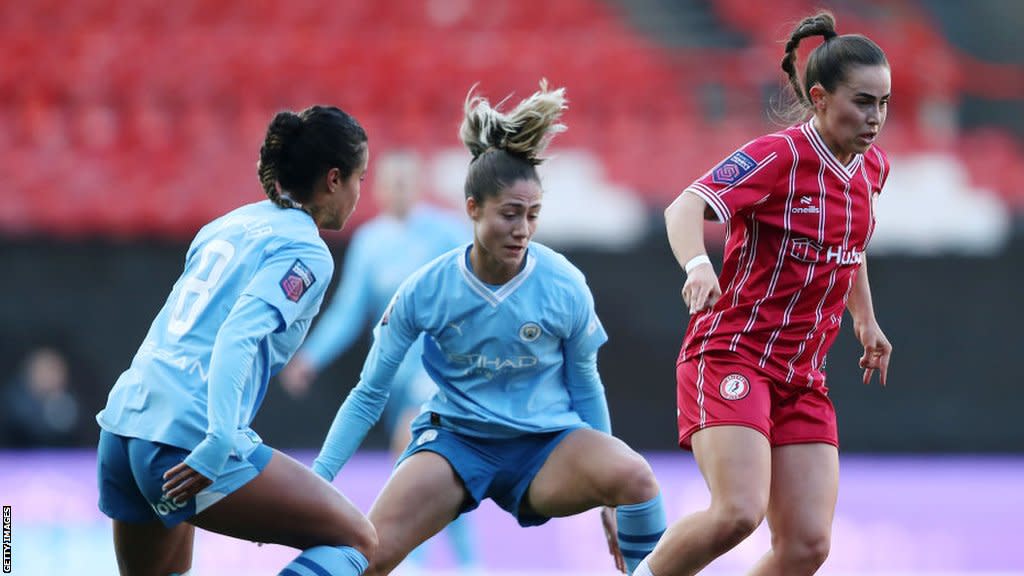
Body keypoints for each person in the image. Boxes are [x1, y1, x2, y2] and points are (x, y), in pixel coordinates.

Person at [311, 81, 667, 575]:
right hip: (457, 443)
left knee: (636, 479)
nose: (522, 228)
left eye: (532, 215)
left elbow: (585, 381)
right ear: (473, 209)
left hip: (544, 446)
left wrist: (608, 496)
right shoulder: (425, 288)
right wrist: (321, 479)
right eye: (509, 214)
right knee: (366, 556)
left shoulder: (564, 284)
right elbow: (369, 394)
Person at [636, 12, 893, 576]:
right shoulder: (779, 156)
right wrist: (698, 264)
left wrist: (865, 319)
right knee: (737, 513)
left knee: (806, 547)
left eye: (883, 104)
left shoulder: (871, 167)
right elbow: (686, 205)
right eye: (863, 101)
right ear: (820, 97)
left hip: (802, 377)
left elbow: (851, 244)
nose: (875, 118)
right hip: (733, 353)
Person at [95, 105, 377, 576]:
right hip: (188, 435)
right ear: (333, 179)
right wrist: (219, 437)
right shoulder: (307, 250)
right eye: (360, 178)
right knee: (358, 541)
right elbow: (238, 334)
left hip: (124, 427)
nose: (360, 192)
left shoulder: (226, 225)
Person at [279, 150, 479, 572]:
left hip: (441, 366)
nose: (398, 191)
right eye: (390, 183)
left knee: (414, 445)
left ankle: (417, 560)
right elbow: (349, 311)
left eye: (406, 182)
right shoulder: (371, 242)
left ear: (419, 185)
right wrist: (310, 358)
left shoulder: (447, 234)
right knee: (439, 470)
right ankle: (463, 561)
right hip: (393, 371)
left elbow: (475, 289)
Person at [1, 346, 80, 447]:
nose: (52, 377)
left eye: (57, 371)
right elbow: (21, 430)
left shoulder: (68, 401)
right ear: (32, 372)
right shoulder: (13, 402)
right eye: (47, 370)